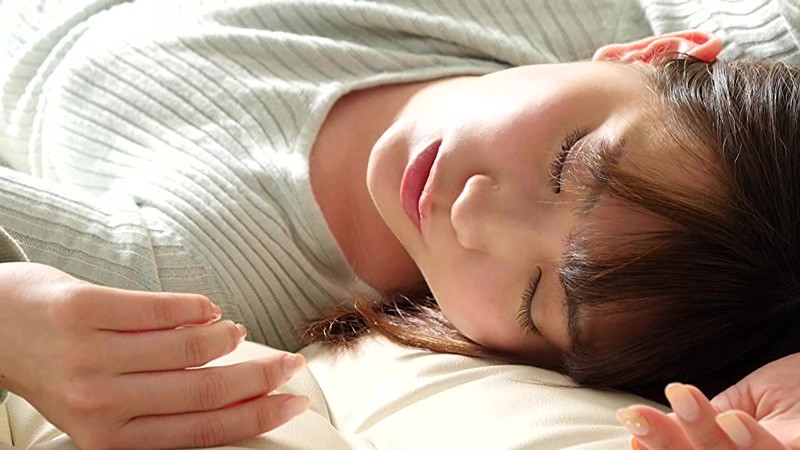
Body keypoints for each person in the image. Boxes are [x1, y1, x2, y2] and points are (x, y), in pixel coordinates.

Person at [0, 0, 799, 448]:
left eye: (532, 297)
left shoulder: (185, 272)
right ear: (652, 53)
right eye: (570, 163)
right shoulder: (544, 19)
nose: (474, 217)